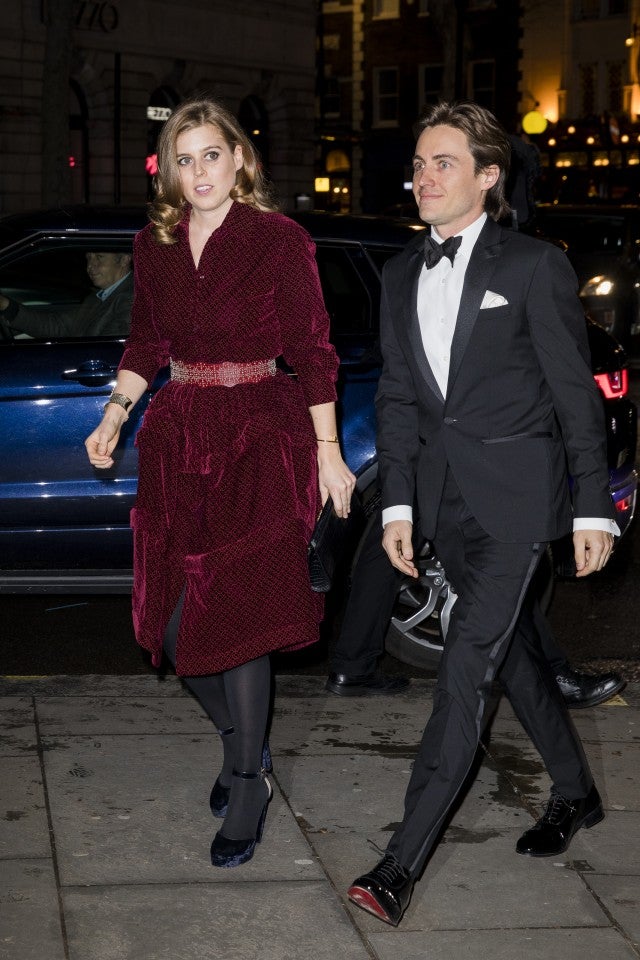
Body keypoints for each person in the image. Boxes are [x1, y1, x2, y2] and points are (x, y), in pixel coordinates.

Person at [347, 100, 619, 927]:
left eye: (444, 163)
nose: (424, 178)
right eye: (418, 165)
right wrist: (398, 502)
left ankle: (397, 866)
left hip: (518, 503)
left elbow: (575, 395)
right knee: (511, 656)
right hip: (441, 502)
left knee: (465, 667)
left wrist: (593, 507)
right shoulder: (401, 272)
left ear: (488, 176)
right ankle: (574, 792)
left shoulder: (534, 265)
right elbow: (398, 398)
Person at [84, 97, 355, 869]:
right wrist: (114, 415)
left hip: (261, 433)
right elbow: (146, 340)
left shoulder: (278, 239)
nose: (199, 171)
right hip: (179, 435)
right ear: (169, 170)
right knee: (174, 624)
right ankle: (246, 747)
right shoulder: (155, 243)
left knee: (238, 617)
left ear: (239, 159)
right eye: (185, 158)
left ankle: (245, 786)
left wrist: (328, 452)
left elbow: (313, 349)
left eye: (211, 154)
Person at [326, 502, 625, 707]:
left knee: (389, 542)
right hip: (453, 451)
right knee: (502, 567)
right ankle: (550, 676)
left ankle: (353, 664)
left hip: (422, 449)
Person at [0, 252, 133, 338]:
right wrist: (6, 305)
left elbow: (108, 351)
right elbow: (58, 326)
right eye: (88, 258)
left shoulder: (132, 299)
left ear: (124, 260)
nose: (90, 266)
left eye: (99, 257)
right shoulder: (98, 297)